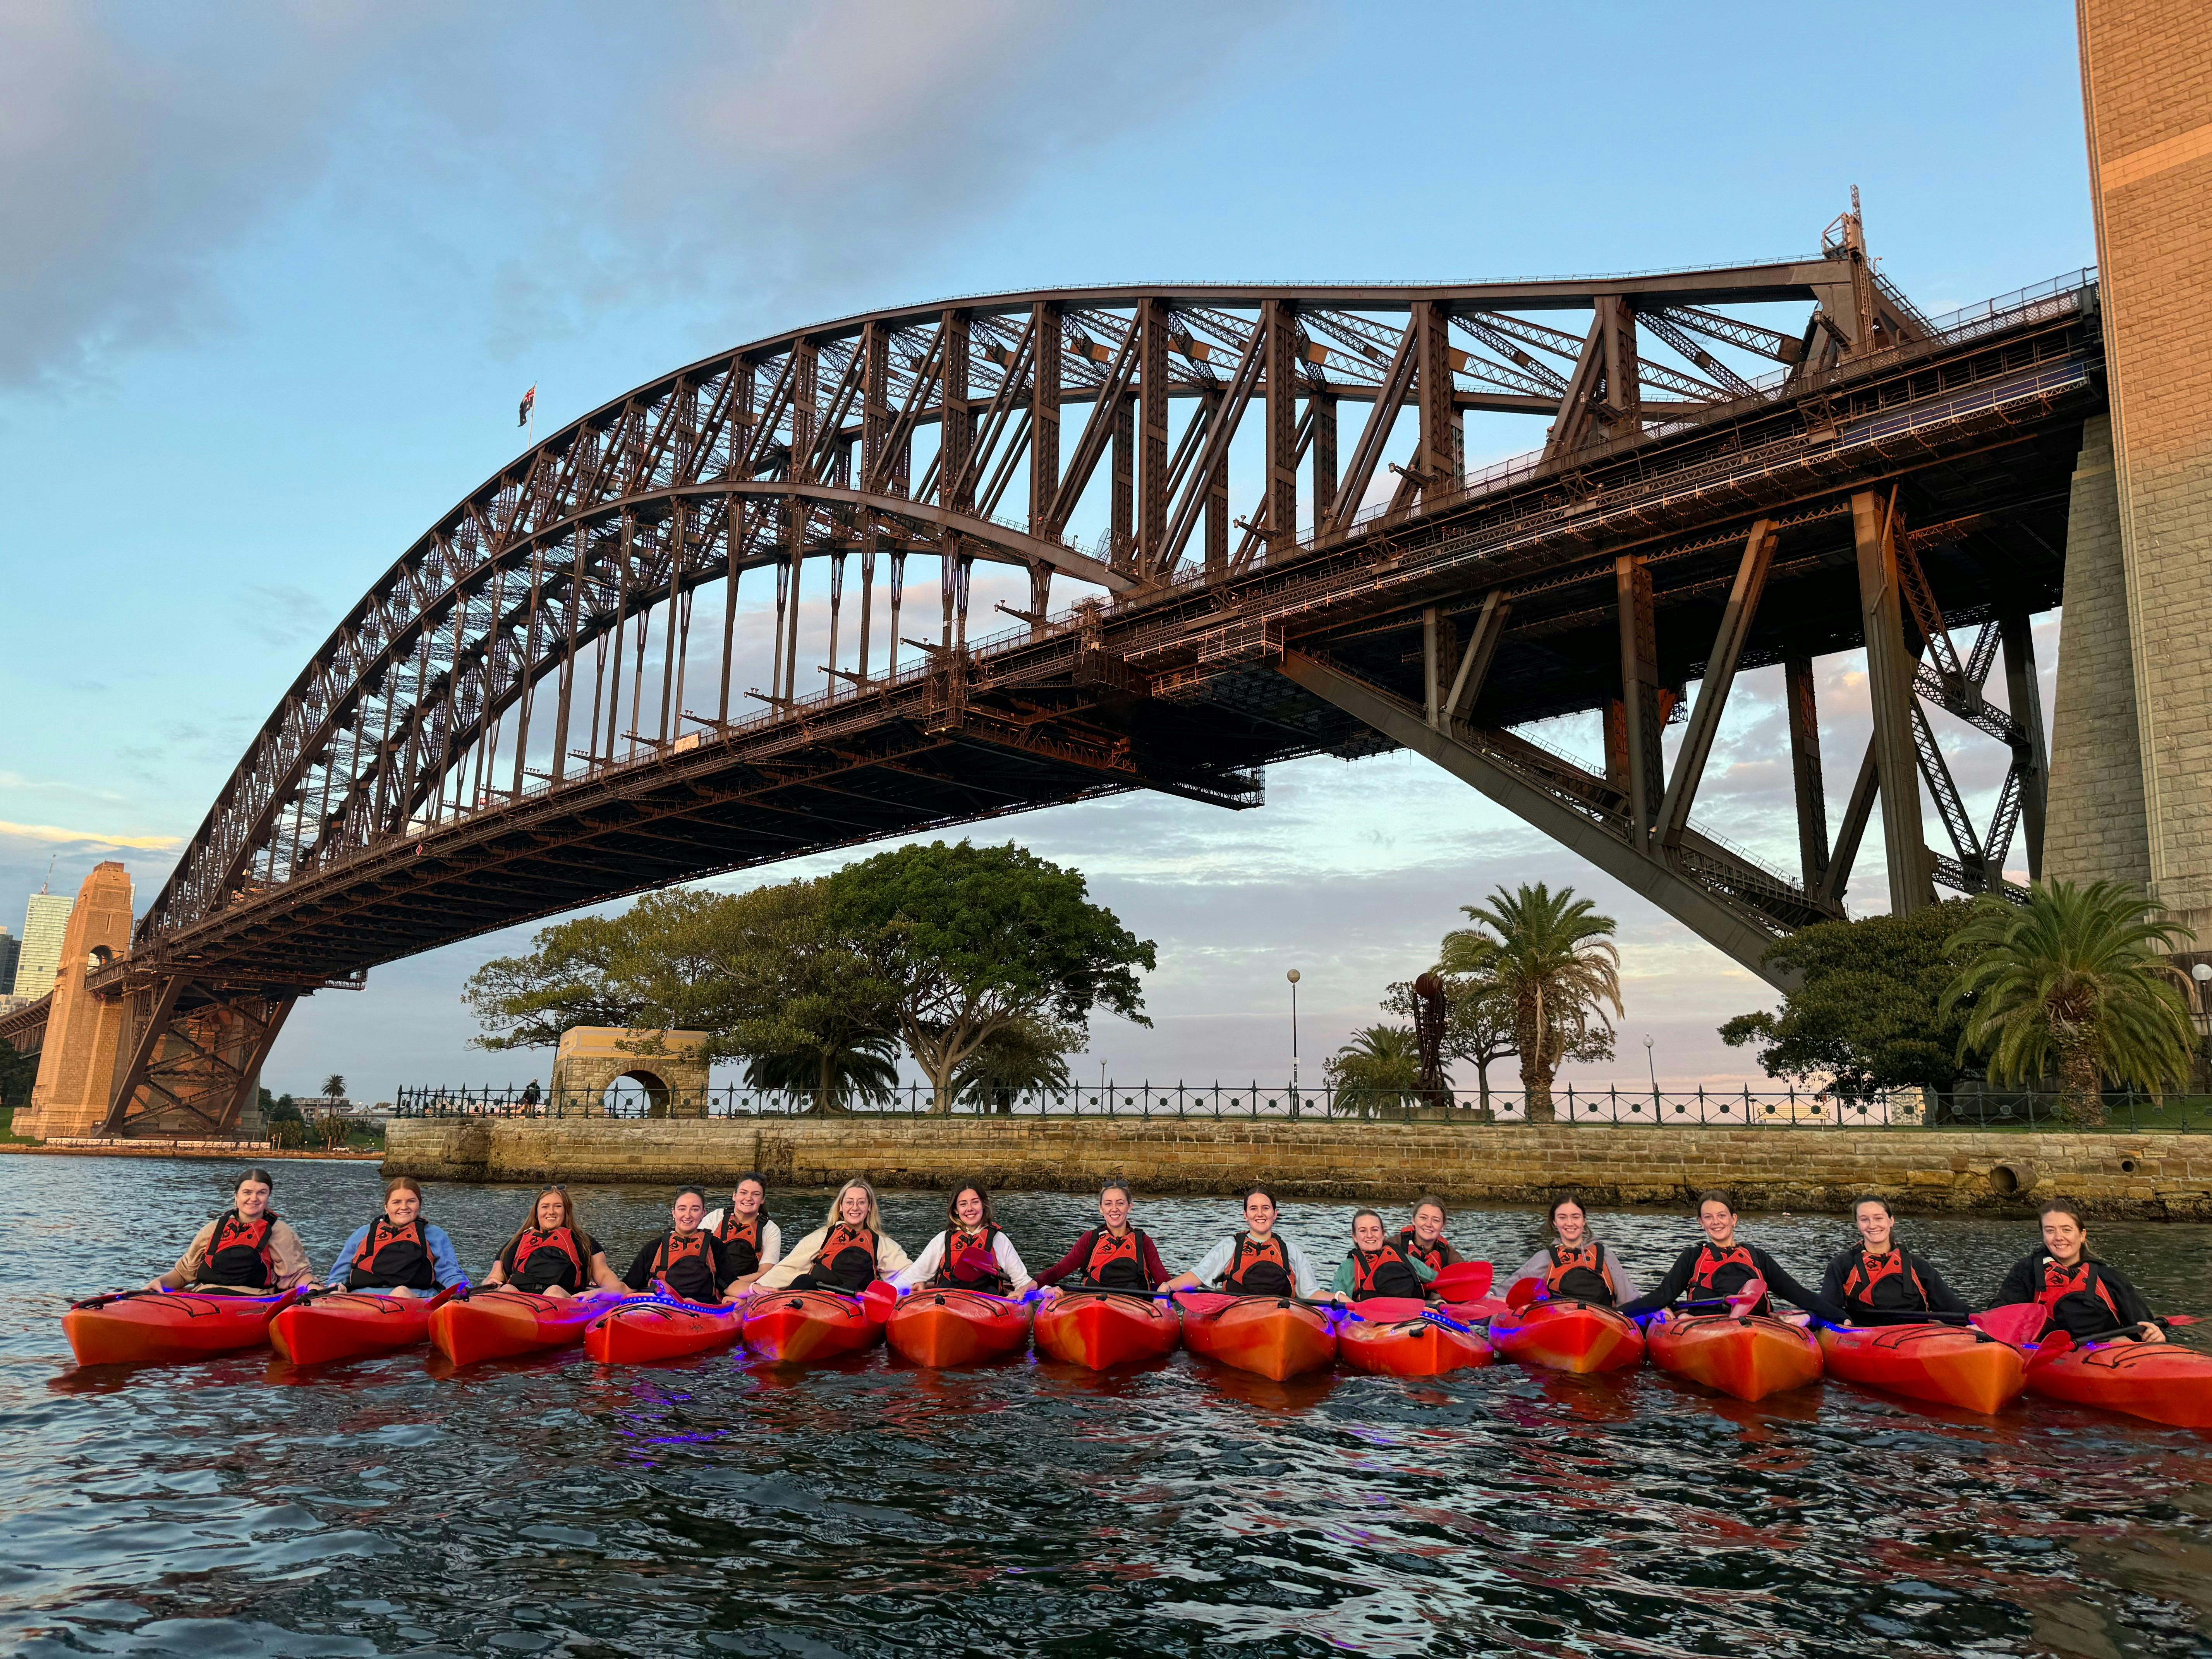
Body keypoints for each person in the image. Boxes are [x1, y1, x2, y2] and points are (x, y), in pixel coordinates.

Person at [1618, 1191, 1841, 1322]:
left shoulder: (1757, 1257)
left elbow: (1798, 1294)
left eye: (1722, 1216)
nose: (1716, 1222)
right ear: (1701, 1223)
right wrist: (1619, 1314)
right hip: (1704, 1325)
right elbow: (1662, 1296)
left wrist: (1842, 1318)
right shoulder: (1692, 1257)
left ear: (1734, 1219)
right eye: (1709, 1217)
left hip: (1755, 1326)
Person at [1989, 1196, 2169, 1343]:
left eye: (2066, 1230)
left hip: (2102, 1354)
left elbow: (2144, 1325)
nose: (2059, 1238)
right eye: (2050, 1231)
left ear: (2082, 1235)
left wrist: (2155, 1335)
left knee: (2120, 1341)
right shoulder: (2026, 1271)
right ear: (2043, 1236)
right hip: (2042, 1350)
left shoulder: (2108, 1278)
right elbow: (2001, 1311)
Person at [148, 1169, 314, 1294]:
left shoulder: (281, 1232)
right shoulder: (212, 1229)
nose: (254, 1199)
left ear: (269, 1196)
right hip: (204, 1300)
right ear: (236, 1196)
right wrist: (159, 1282)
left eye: (261, 1193)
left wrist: (313, 1289)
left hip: (255, 1302)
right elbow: (183, 1274)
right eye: (247, 1193)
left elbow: (298, 1276)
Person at [1818, 1195, 1971, 1326]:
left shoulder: (1917, 1266)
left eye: (1879, 1218)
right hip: (1864, 1336)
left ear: (1891, 1221)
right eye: (1864, 1220)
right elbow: (1827, 1306)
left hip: (1915, 1338)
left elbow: (1952, 1306)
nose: (1872, 1225)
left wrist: (1980, 1322)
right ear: (1858, 1224)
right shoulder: (1842, 1265)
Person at [1162, 1187, 1325, 1299]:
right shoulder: (1230, 1246)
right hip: (1239, 1313)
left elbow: (1311, 1293)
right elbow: (1198, 1276)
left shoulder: (1291, 1251)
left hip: (1281, 1315)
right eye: (1253, 1209)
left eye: (1266, 1208)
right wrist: (1167, 1287)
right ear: (1245, 1215)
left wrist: (1339, 1298)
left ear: (1275, 1214)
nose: (1260, 1214)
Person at [757, 1180, 914, 1294]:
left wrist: (917, 1285)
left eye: (861, 1203)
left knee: (850, 1288)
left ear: (870, 1207)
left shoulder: (882, 1244)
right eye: (849, 1202)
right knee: (804, 1280)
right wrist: (757, 1287)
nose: (855, 1208)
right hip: (815, 1300)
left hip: (849, 1306)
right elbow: (790, 1267)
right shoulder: (821, 1237)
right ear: (841, 1206)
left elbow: (908, 1274)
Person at [326, 1176, 467, 1295]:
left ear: (419, 1205)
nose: (404, 1207)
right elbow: (340, 1273)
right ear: (387, 1207)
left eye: (411, 1201)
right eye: (397, 1202)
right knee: (335, 1294)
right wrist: (335, 1288)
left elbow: (450, 1272)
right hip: (364, 1300)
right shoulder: (364, 1233)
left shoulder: (435, 1235)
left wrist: (466, 1292)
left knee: (401, 1292)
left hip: (415, 1299)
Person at [480, 1186, 628, 1298]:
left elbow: (612, 1284)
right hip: (521, 1302)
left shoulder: (585, 1243)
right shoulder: (515, 1243)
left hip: (561, 1300)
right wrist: (490, 1283)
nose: (551, 1212)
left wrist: (598, 1294)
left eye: (558, 1206)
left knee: (554, 1291)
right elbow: (493, 1277)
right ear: (537, 1212)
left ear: (566, 1211)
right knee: (507, 1290)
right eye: (545, 1207)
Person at [892, 1183, 1035, 1296]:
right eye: (963, 1204)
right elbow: (912, 1276)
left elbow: (1022, 1280)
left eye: (975, 1202)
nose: (970, 1209)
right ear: (956, 1210)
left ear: (984, 1205)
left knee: (991, 1291)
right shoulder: (943, 1239)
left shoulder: (999, 1240)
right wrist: (889, 1291)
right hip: (948, 1303)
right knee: (945, 1288)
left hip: (986, 1305)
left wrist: (1041, 1290)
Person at [1036, 1180, 1173, 1295]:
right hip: (1095, 1304)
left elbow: (1164, 1280)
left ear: (1130, 1207)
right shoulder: (1090, 1239)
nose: (1114, 1209)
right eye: (1108, 1204)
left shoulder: (1143, 1242)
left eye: (1120, 1203)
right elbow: (1059, 1271)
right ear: (1101, 1208)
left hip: (1135, 1307)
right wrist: (1029, 1286)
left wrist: (1171, 1291)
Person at [1504, 1193, 1642, 1307]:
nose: (1570, 1223)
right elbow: (1507, 1290)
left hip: (1603, 1322)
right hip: (1558, 1322)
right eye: (1562, 1218)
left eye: (1576, 1217)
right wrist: (1488, 1298)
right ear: (1554, 1222)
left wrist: (1652, 1313)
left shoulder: (1605, 1256)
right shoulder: (1545, 1258)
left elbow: (1629, 1297)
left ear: (1584, 1220)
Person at [620, 1188, 735, 1304]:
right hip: (662, 1309)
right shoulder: (654, 1247)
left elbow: (730, 1285)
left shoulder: (715, 1246)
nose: (687, 1215)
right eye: (682, 1209)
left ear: (703, 1214)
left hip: (702, 1311)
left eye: (695, 1210)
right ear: (674, 1213)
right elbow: (628, 1287)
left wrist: (752, 1290)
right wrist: (604, 1293)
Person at [701, 1172, 782, 1300]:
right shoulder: (715, 1218)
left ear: (762, 1200)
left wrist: (733, 1285)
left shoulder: (771, 1230)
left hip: (747, 1289)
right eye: (743, 1193)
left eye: (756, 1194)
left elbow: (765, 1272)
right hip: (711, 1284)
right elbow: (698, 1254)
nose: (749, 1198)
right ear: (735, 1196)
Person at [1328, 1208, 1436, 1304]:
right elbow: (1336, 1298)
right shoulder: (1349, 1266)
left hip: (1413, 1316)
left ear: (1383, 1234)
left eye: (1375, 1230)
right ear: (1355, 1237)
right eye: (1363, 1231)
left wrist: (1438, 1300)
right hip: (1370, 1321)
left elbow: (1437, 1279)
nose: (1370, 1235)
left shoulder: (1403, 1258)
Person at [1396, 1197, 1462, 1273]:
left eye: (1436, 1220)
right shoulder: (1394, 1245)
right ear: (1414, 1220)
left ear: (1443, 1226)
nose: (1429, 1224)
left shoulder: (1450, 1256)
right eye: (1423, 1218)